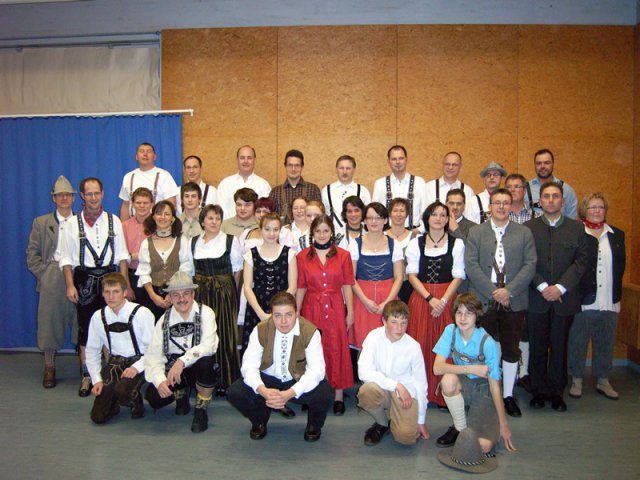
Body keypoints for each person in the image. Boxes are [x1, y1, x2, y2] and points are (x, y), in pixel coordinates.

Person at [464, 188, 537, 418]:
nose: (502, 207)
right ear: (490, 206)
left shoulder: (524, 233)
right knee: (484, 348)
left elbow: (530, 265)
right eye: (497, 202)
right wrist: (493, 292)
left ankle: (507, 395)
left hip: (513, 299)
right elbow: (471, 265)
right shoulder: (476, 232)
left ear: (511, 206)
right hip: (484, 299)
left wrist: (509, 291)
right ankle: (485, 393)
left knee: (511, 348)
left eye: (506, 202)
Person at [58, 177, 132, 397]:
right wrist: (70, 286)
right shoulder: (71, 224)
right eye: (89, 194)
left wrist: (125, 285)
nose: (93, 197)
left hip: (110, 277)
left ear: (102, 194)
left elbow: (122, 256)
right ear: (82, 196)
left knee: (111, 325)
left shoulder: (113, 220)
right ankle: (87, 375)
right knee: (86, 328)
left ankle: (109, 372)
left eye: (96, 193)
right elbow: (66, 259)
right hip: (84, 279)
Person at [227, 292, 333, 442]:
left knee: (325, 393)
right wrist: (263, 390)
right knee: (235, 392)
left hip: (297, 379)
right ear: (271, 315)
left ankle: (314, 425)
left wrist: (289, 393)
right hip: (268, 379)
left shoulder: (310, 332)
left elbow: (317, 371)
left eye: (289, 315)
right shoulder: (260, 330)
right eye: (277, 315)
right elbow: (249, 366)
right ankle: (259, 419)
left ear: (297, 313)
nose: (283, 321)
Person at [525, 182, 588, 411]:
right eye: (546, 196)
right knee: (537, 346)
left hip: (564, 299)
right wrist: (543, 287)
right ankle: (538, 390)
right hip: (537, 297)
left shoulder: (577, 229)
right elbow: (526, 261)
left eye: (555, 196)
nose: (551, 200)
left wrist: (560, 287)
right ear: (539, 201)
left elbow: (581, 262)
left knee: (560, 347)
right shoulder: (529, 228)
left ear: (563, 200)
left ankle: (557, 392)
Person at [432, 292, 516, 454]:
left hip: (484, 389)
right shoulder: (451, 331)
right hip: (464, 381)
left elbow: (495, 387)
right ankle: (460, 427)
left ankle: (482, 422)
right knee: (447, 381)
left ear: (477, 316)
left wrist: (504, 424)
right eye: (459, 313)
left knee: (483, 447)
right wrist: (471, 369)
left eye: (468, 313)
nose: (463, 318)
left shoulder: (488, 343)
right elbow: (437, 368)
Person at [144, 271, 219, 433]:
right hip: (174, 371)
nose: (182, 299)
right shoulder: (163, 321)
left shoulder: (206, 313)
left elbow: (208, 345)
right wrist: (160, 381)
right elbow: (153, 355)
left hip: (197, 366)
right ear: (170, 298)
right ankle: (180, 392)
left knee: (208, 363)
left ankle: (201, 408)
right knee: (154, 398)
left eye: (186, 293)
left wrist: (182, 361)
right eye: (176, 295)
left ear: (193, 295)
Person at [406, 201, 465, 407]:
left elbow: (458, 276)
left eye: (443, 215)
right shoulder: (416, 243)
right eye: (434, 214)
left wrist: (444, 301)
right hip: (422, 298)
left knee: (445, 346)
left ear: (448, 219)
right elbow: (411, 275)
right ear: (427, 218)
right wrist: (430, 299)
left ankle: (443, 394)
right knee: (421, 343)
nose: (438, 218)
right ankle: (421, 392)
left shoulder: (457, 243)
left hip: (447, 298)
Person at [568, 193, 625, 400]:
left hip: (609, 298)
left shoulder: (616, 235)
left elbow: (620, 266)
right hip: (583, 300)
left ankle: (603, 380)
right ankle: (576, 379)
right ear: (584, 210)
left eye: (600, 207)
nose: (597, 211)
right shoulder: (576, 234)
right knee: (578, 341)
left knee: (605, 341)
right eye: (592, 207)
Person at [296, 215, 354, 415]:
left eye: (326, 231)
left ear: (332, 233)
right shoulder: (302, 257)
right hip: (311, 307)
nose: (322, 235)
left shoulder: (343, 256)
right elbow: (301, 287)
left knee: (337, 349)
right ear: (312, 233)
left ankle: (338, 395)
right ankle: (310, 392)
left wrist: (350, 312)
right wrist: (297, 313)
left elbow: (347, 285)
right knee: (312, 350)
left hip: (335, 306)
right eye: (318, 231)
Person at [26, 175, 78, 388]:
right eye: (60, 195)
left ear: (73, 198)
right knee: (49, 323)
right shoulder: (41, 223)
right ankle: (49, 366)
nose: (64, 198)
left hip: (78, 274)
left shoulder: (81, 222)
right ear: (53, 198)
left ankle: (87, 366)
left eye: (68, 195)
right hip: (53, 275)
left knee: (81, 321)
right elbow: (32, 255)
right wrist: (45, 275)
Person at [85, 273, 155, 424]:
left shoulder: (142, 313)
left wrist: (136, 367)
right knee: (98, 417)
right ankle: (114, 402)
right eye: (107, 292)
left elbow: (153, 349)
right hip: (115, 363)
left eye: (116, 292)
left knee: (123, 390)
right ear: (103, 294)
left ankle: (134, 398)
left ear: (124, 293)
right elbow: (92, 351)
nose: (111, 297)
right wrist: (97, 380)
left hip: (141, 361)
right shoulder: (98, 317)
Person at [357, 300, 429, 446]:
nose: (399, 328)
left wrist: (420, 420)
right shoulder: (373, 337)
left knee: (406, 438)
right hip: (383, 389)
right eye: (394, 322)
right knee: (367, 391)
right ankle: (383, 423)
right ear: (384, 321)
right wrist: (396, 385)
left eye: (403, 323)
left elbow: (421, 385)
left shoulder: (414, 347)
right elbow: (363, 372)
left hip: (405, 395)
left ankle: (396, 418)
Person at [191, 204, 243, 396]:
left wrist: (230, 293)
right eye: (210, 218)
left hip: (224, 294)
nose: (214, 222)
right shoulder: (193, 242)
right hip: (201, 293)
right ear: (202, 221)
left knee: (224, 333)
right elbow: (190, 271)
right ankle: (203, 378)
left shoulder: (230, 240)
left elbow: (237, 271)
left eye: (218, 218)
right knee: (203, 333)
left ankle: (225, 378)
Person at [349, 202, 403, 352]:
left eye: (378, 218)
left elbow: (399, 277)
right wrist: (365, 300)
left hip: (388, 297)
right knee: (364, 344)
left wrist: (388, 302)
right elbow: (351, 277)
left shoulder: (394, 244)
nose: (374, 221)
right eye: (370, 218)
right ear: (364, 221)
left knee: (388, 343)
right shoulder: (355, 244)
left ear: (385, 220)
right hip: (362, 299)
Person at [243, 212, 297, 351]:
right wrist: (261, 313)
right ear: (260, 230)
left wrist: (279, 312)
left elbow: (292, 287)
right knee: (256, 349)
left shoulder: (289, 254)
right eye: (267, 229)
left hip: (283, 308)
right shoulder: (250, 254)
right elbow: (247, 287)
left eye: (275, 229)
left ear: (280, 231)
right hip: (257, 307)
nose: (271, 233)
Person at [504, 173, 539, 391]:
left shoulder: (536, 216)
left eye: (517, 186)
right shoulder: (499, 217)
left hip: (530, 280)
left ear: (524, 190)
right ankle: (508, 372)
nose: (513, 190)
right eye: (509, 186)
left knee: (525, 330)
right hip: (505, 284)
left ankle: (524, 372)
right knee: (509, 331)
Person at [136, 200, 193, 320]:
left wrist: (172, 294)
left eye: (167, 214)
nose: (162, 217)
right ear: (153, 217)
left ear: (173, 218)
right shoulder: (146, 243)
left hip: (178, 295)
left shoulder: (182, 240)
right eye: (159, 213)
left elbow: (186, 269)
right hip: (151, 297)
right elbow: (144, 273)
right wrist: (153, 296)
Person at [119, 142, 179, 220]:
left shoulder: (164, 176)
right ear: (136, 156)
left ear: (155, 157)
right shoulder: (128, 177)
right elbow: (125, 205)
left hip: (157, 223)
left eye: (149, 151)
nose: (145, 154)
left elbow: (171, 204)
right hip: (133, 223)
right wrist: (123, 225)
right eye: (142, 151)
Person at [372, 145, 427, 230]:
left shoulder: (419, 182)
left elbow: (426, 212)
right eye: (394, 159)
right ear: (388, 161)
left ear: (406, 159)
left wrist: (419, 230)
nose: (398, 162)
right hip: (386, 234)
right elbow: (374, 214)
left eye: (401, 158)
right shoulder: (379, 184)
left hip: (413, 233)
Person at [217, 145, 271, 219]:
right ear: (237, 160)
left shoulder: (263, 185)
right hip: (229, 225)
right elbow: (221, 209)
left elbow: (265, 212)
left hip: (256, 225)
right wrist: (230, 224)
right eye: (242, 158)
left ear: (254, 160)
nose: (246, 161)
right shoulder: (225, 184)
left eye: (249, 158)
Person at [268, 149, 321, 224]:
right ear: (285, 166)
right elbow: (270, 218)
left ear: (302, 167)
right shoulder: (275, 192)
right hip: (282, 231)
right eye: (290, 165)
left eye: (297, 165)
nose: (293, 169)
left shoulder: (313, 190)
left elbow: (318, 217)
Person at [321, 155, 371, 230]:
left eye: (348, 168)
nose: (344, 172)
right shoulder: (326, 191)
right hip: (332, 234)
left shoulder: (363, 191)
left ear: (354, 170)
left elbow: (368, 216)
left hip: (358, 234)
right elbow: (323, 215)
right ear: (336, 169)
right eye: (341, 168)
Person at [122, 187, 153, 305]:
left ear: (152, 204)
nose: (142, 206)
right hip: (131, 277)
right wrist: (127, 285)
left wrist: (134, 256)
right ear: (133, 204)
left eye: (145, 203)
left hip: (152, 276)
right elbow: (122, 258)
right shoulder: (124, 226)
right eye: (138, 203)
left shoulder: (158, 225)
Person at [527, 148, 578, 219]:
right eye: (539, 163)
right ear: (534, 165)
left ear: (553, 164)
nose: (542, 166)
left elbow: (572, 220)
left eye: (546, 163)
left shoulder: (566, 190)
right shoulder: (525, 189)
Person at [384, 197, 417, 304]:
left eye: (402, 211)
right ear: (389, 213)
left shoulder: (415, 237)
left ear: (407, 214)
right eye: (395, 210)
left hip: (408, 286)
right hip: (387, 284)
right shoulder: (382, 236)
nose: (398, 214)